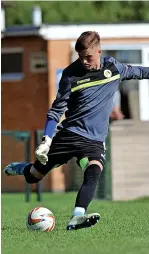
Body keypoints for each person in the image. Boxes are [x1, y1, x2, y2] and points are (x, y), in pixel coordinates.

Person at [4, 31, 149, 230]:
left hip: (94, 141)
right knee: (35, 176)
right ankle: (24, 168)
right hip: (69, 134)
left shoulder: (114, 68)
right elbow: (56, 110)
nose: (85, 62)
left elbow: (140, 72)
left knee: (94, 170)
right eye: (81, 57)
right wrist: (46, 140)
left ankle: (77, 216)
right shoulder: (71, 74)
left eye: (88, 57)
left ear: (99, 51)